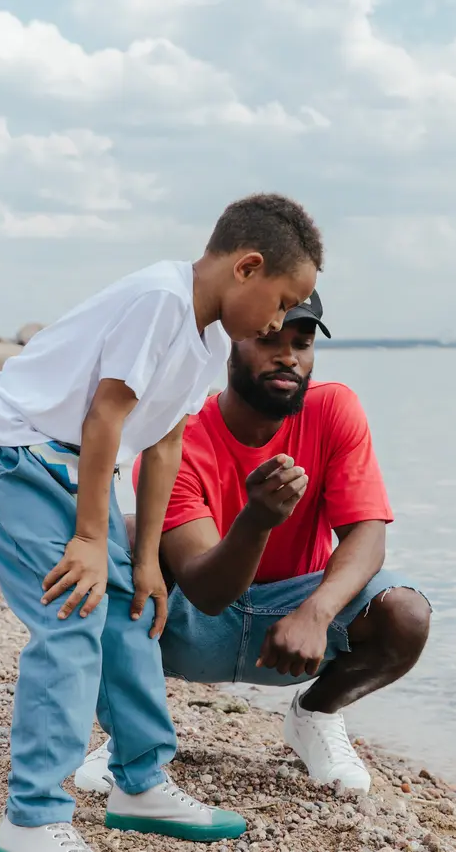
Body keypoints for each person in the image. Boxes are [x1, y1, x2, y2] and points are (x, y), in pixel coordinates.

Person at [0, 193, 323, 851]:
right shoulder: (162, 299)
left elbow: (164, 442)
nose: (279, 318)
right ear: (247, 267)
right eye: (281, 299)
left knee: (129, 608)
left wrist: (146, 557)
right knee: (72, 612)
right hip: (12, 456)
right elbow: (105, 418)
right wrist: (93, 540)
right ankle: (30, 819)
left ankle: (139, 780)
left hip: (73, 467)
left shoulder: (213, 334)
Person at [76, 291, 431, 799]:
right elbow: (207, 591)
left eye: (302, 343)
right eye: (268, 339)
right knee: (128, 537)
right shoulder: (180, 436)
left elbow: (368, 535)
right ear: (227, 346)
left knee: (406, 612)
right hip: (195, 624)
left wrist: (317, 612)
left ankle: (315, 715)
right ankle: (130, 733)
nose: (288, 356)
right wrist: (257, 520)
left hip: (295, 629)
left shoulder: (335, 408)